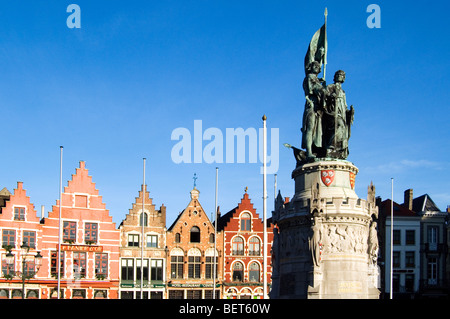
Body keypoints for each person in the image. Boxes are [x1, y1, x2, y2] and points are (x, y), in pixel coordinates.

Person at [301, 61, 327, 159]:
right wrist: (324, 88)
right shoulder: (310, 77)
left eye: (318, 66)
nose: (317, 67)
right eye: (314, 66)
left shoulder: (315, 79)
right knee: (310, 129)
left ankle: (315, 150)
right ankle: (309, 153)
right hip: (311, 105)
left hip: (317, 107)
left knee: (317, 130)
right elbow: (315, 89)